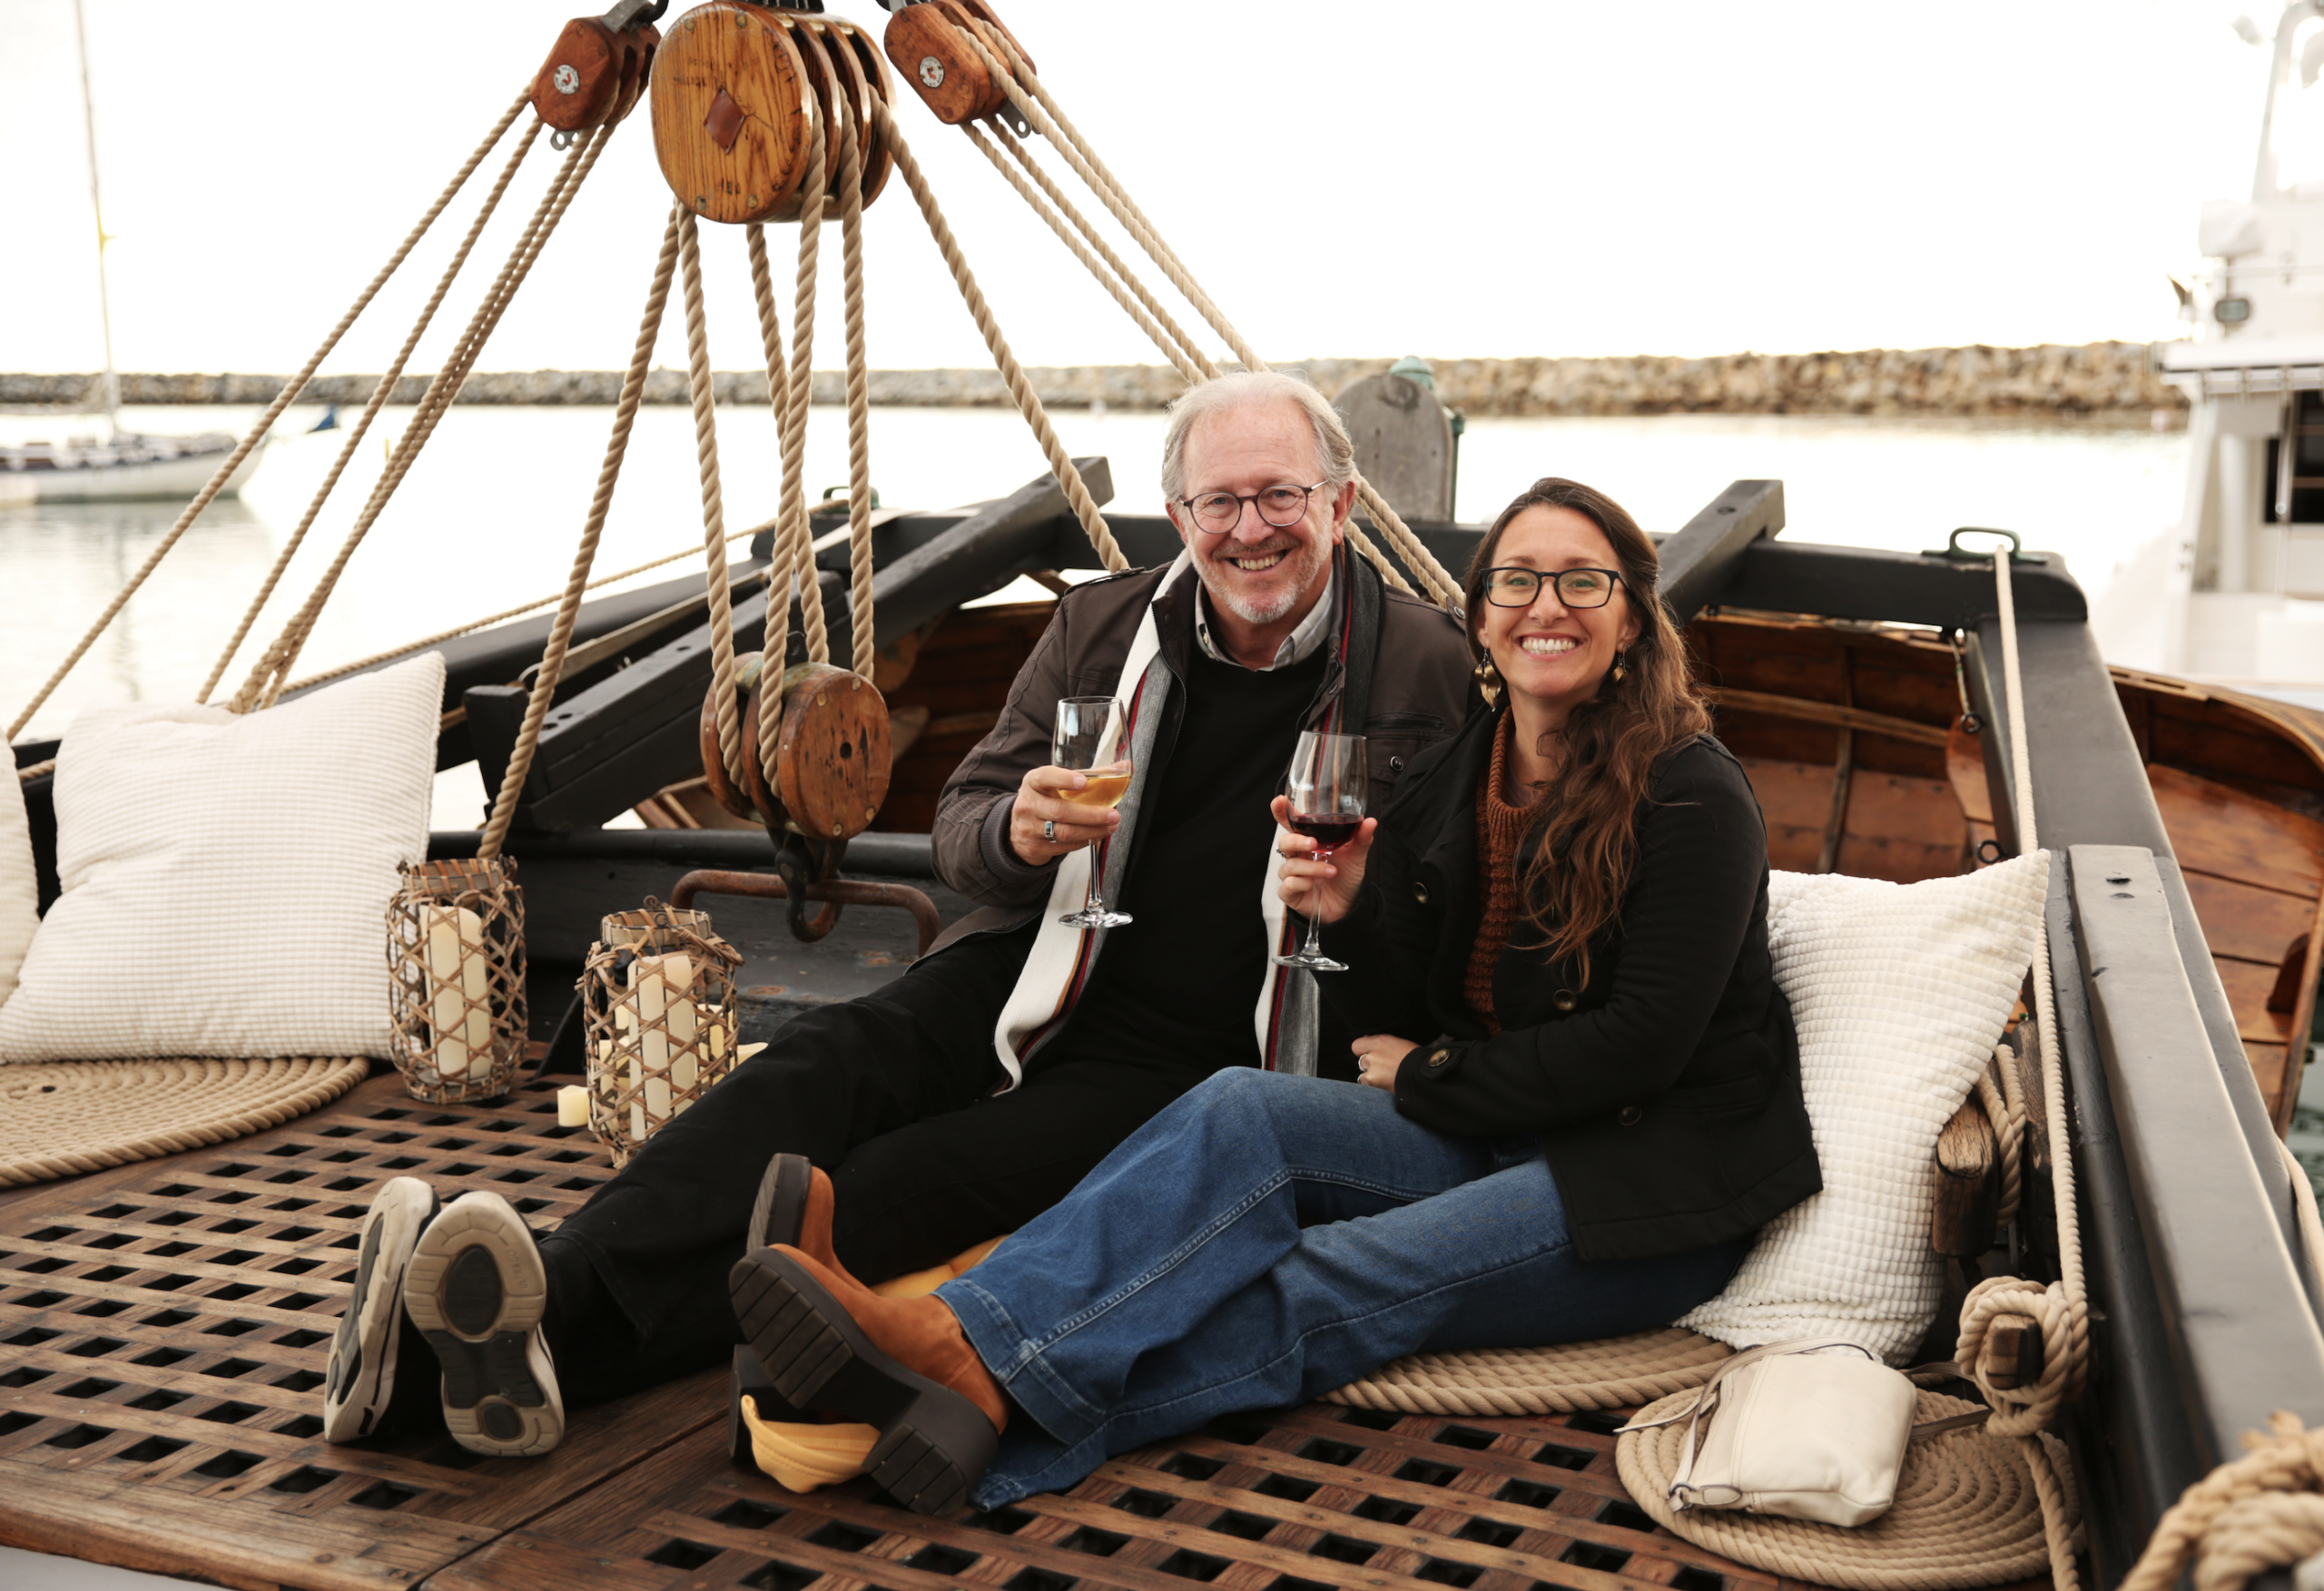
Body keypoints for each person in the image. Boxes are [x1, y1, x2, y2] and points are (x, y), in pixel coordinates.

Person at [321, 370, 1476, 1456]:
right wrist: (1016, 834)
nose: (1250, 528)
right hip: (1036, 963)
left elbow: (1455, 929)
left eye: (1280, 496)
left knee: (897, 1184)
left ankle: (470, 1354)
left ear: (1340, 503)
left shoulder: (1431, 668)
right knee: (815, 1066)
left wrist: (1361, 906)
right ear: (1179, 516)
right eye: (1219, 501)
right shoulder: (1100, 628)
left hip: (1203, 1054)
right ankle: (542, 1279)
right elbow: (963, 823)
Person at [726, 477, 1823, 1512]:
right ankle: (949, 1337)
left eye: (1583, 581)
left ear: (1630, 620)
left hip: (1638, 1184)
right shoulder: (1456, 770)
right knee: (1237, 1106)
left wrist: (1434, 1073)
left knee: (1323, 1274)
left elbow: (1641, 1045)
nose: (1548, 605)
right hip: (1494, 1131)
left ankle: (987, 1410)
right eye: (1517, 580)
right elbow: (1405, 997)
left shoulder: (1692, 791)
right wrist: (1351, 912)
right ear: (1481, 618)